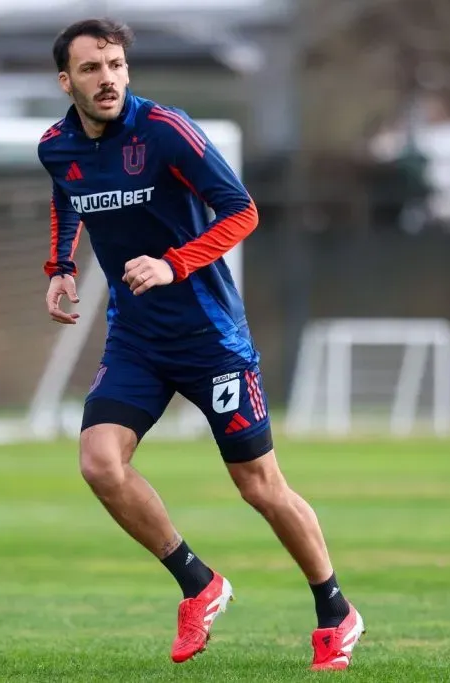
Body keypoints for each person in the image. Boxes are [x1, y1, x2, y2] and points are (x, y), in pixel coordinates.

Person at [36, 17, 365, 671]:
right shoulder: (56, 145)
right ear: (65, 79)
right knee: (100, 462)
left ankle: (335, 608)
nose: (108, 79)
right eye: (93, 68)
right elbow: (67, 192)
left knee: (260, 486)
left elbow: (242, 209)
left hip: (211, 338)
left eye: (116, 65)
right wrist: (60, 267)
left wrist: (173, 263)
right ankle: (199, 582)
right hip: (136, 338)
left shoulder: (164, 130)